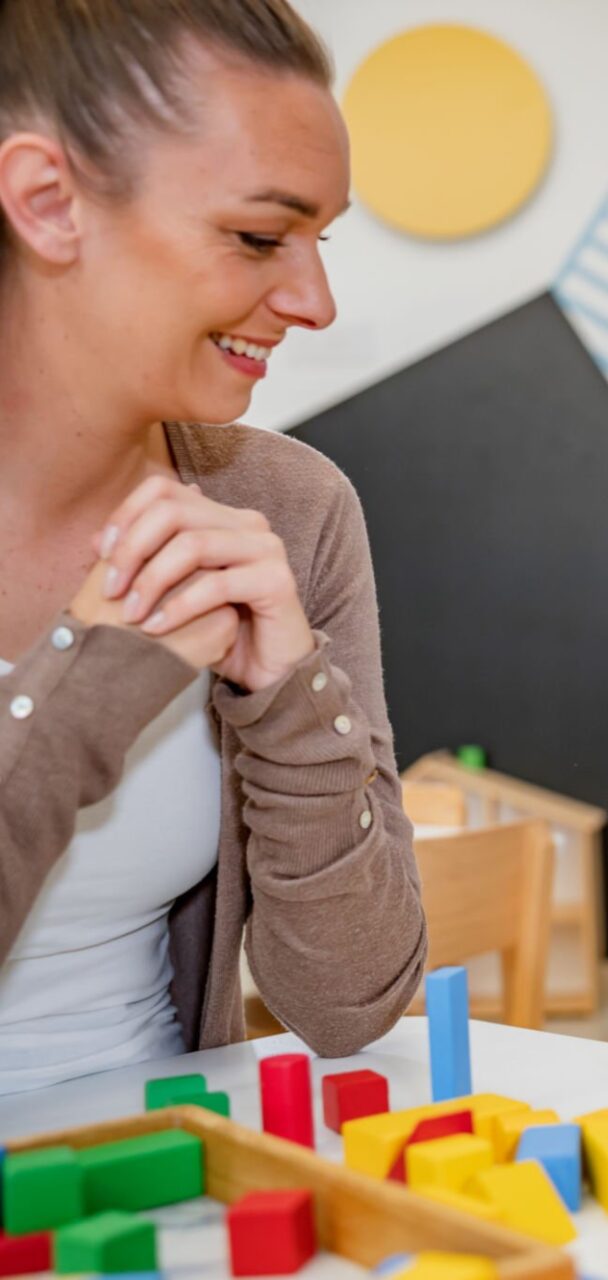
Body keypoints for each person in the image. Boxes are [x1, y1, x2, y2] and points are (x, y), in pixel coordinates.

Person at [0, 0, 425, 1093]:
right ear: (48, 202)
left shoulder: (285, 504)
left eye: (320, 239)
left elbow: (350, 1000)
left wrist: (287, 696)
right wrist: (88, 688)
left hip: (170, 1190)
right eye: (257, 235)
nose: (315, 300)